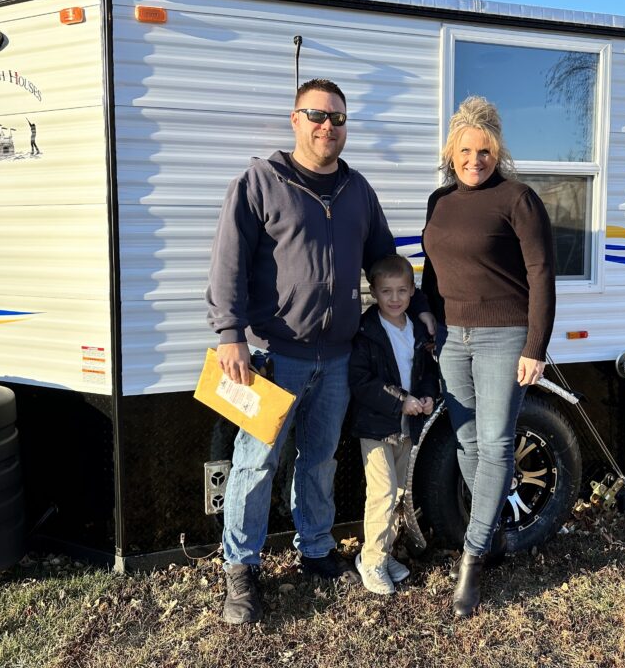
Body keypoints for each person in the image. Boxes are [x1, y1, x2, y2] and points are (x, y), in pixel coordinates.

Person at [206, 78, 434, 625]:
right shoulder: (261, 182)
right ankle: (241, 567)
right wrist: (229, 333)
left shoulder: (358, 191)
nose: (327, 126)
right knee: (255, 463)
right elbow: (229, 261)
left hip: (338, 358)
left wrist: (421, 309)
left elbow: (386, 264)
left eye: (337, 118)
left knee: (320, 457)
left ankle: (314, 547)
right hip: (272, 355)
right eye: (317, 116)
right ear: (295, 119)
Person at [422, 96, 556, 618]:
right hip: (453, 338)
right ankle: (493, 532)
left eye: (484, 151)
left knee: (497, 444)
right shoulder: (439, 201)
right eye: (465, 150)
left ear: (497, 151)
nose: (474, 160)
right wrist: (431, 322)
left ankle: (473, 558)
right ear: (451, 151)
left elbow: (542, 273)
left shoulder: (518, 199)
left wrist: (535, 347)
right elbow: (433, 272)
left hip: (506, 336)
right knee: (467, 443)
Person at [349, 254, 439, 595]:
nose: (395, 298)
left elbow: (426, 373)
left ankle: (383, 554)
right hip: (375, 427)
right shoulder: (366, 330)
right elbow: (361, 381)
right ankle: (370, 561)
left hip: (407, 426)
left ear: (413, 291)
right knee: (383, 493)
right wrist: (401, 399)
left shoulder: (415, 329)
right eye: (386, 291)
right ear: (373, 292)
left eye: (402, 290)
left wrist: (427, 396)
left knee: (400, 493)